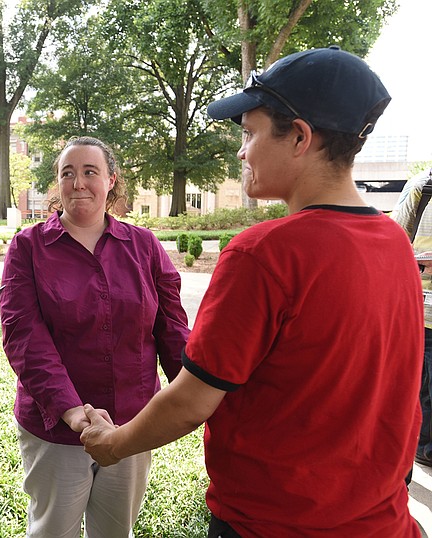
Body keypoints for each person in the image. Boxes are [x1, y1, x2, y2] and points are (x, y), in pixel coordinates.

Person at [80, 47, 423, 537]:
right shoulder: (394, 243)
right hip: (383, 521)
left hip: (273, 523)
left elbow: (192, 401)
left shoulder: (263, 255)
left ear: (300, 137)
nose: (242, 151)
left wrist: (113, 445)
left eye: (250, 133)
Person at [0, 136, 190, 537]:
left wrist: (196, 395)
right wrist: (74, 415)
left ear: (111, 181)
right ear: (57, 184)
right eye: (67, 173)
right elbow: (24, 337)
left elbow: (173, 330)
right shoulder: (28, 248)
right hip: (55, 429)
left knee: (115, 532)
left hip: (131, 425)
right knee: (52, 530)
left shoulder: (144, 246)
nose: (78, 182)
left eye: (90, 172)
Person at [391, 167, 432, 468]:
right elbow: (395, 238)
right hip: (425, 309)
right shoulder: (424, 186)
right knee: (423, 385)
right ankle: (425, 447)